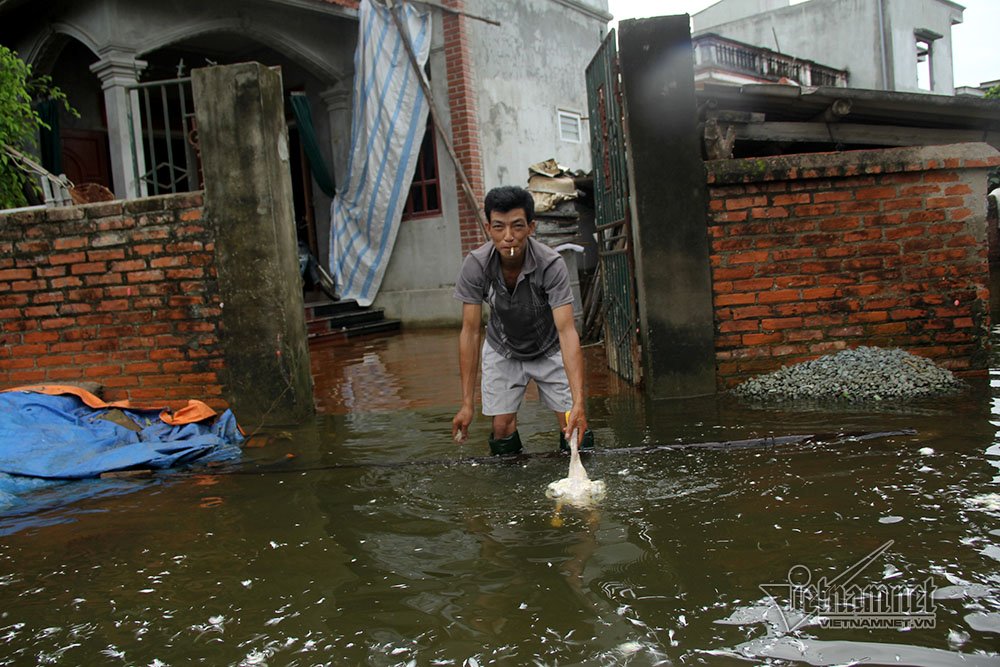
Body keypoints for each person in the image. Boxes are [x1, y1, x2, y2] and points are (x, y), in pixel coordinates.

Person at [451, 185, 592, 455]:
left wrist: (579, 401)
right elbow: (469, 332)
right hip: (502, 348)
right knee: (502, 427)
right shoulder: (476, 265)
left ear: (531, 227)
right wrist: (467, 403)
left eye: (517, 227)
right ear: (488, 228)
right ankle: (511, 488)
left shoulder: (551, 264)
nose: (508, 237)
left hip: (549, 347)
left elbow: (567, 332)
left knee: (573, 427)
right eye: (499, 227)